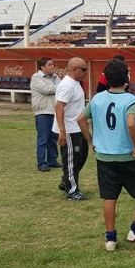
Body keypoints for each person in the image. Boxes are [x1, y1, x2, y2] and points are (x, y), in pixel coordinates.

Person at [77, 60, 135, 252]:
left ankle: (111, 239)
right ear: (126, 79)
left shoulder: (96, 98)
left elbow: (80, 119)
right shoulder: (129, 99)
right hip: (126, 156)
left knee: (109, 197)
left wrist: (91, 141)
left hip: (104, 157)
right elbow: (131, 123)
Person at [55, 57, 89, 201]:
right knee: (71, 160)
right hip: (69, 129)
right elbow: (59, 107)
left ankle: (66, 180)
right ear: (74, 69)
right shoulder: (67, 85)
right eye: (83, 70)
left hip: (78, 128)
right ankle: (72, 190)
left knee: (81, 157)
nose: (86, 73)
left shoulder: (76, 83)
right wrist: (62, 131)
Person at [31, 57, 61, 172]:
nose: (52, 66)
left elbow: (59, 89)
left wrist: (59, 88)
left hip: (54, 111)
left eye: (53, 64)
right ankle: (41, 163)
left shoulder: (55, 77)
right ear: (42, 67)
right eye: (49, 64)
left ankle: (52, 160)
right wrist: (60, 87)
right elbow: (47, 90)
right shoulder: (36, 77)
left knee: (53, 138)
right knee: (43, 138)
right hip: (43, 111)